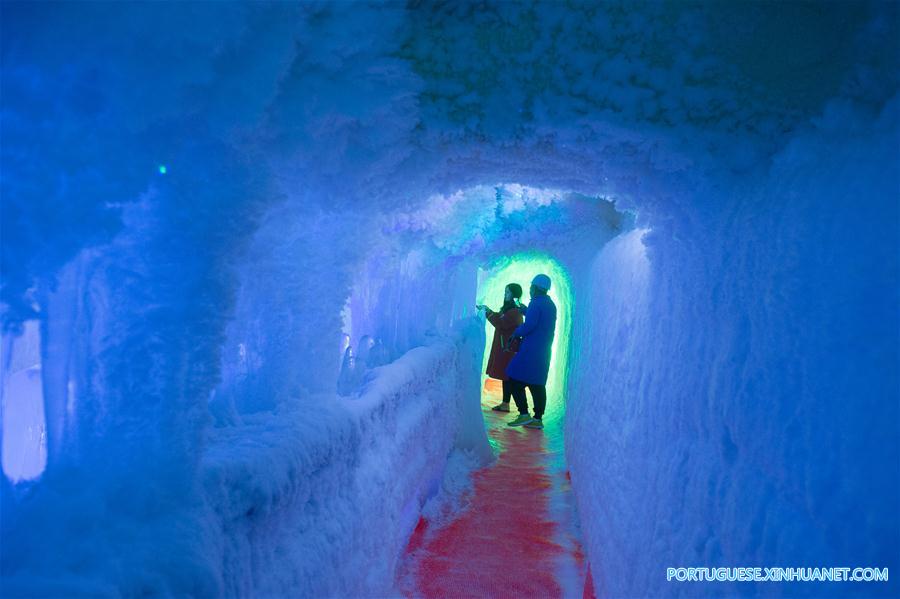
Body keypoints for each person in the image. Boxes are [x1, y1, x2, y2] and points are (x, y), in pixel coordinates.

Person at [505, 274, 557, 430]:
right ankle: (537, 419)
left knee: (513, 377)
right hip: (543, 350)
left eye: (531, 286)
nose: (529, 289)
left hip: (531, 350)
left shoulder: (536, 303)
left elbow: (530, 325)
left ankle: (524, 414)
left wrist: (516, 332)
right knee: (537, 384)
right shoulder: (549, 304)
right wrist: (526, 311)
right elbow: (540, 320)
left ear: (535, 288)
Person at [476, 283, 525, 412]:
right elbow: (501, 318)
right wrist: (489, 312)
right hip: (506, 347)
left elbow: (501, 323)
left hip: (508, 349)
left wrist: (488, 312)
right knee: (507, 376)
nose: (505, 294)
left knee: (509, 378)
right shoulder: (510, 310)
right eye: (505, 292)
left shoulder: (515, 311)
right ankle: (505, 404)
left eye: (508, 292)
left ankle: (521, 410)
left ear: (514, 295)